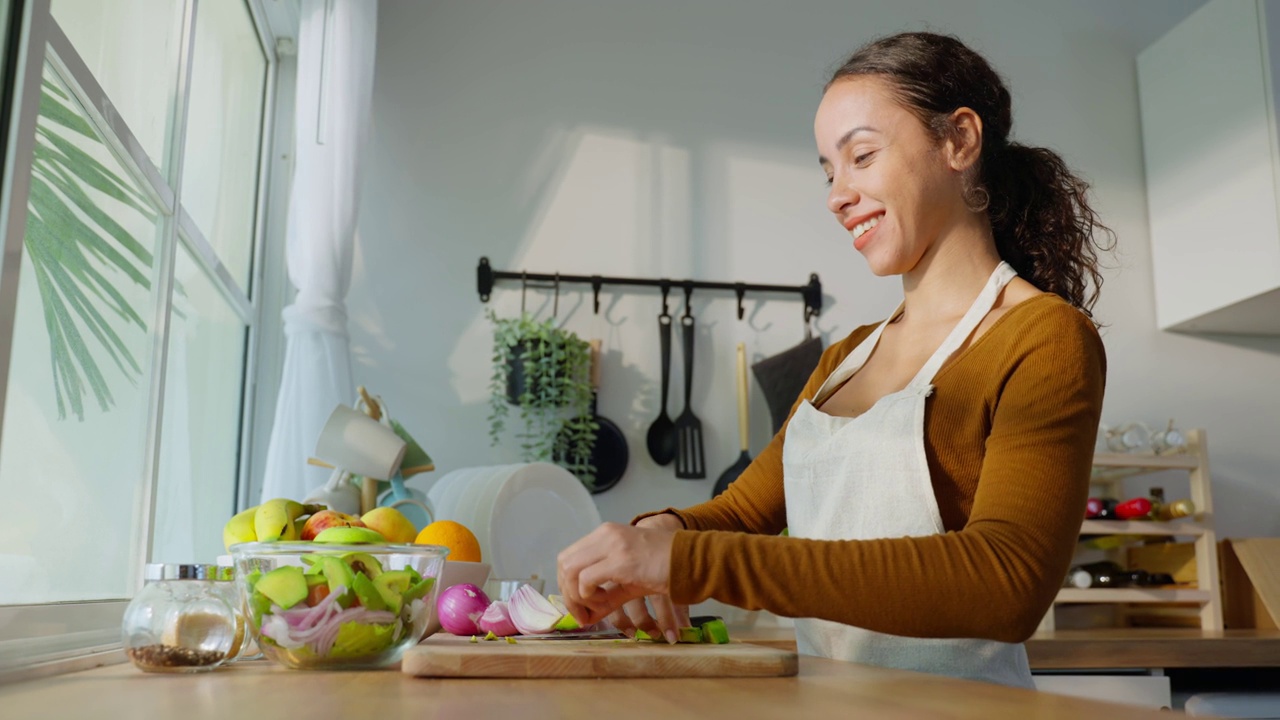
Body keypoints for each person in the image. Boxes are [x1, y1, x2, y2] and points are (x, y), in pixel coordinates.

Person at [556, 31, 1110, 688]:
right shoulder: (847, 358)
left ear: (960, 140)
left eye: (862, 157)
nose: (837, 196)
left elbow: (1007, 583)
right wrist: (656, 530)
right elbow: (744, 513)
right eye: (829, 171)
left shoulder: (1042, 337)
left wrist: (683, 561)